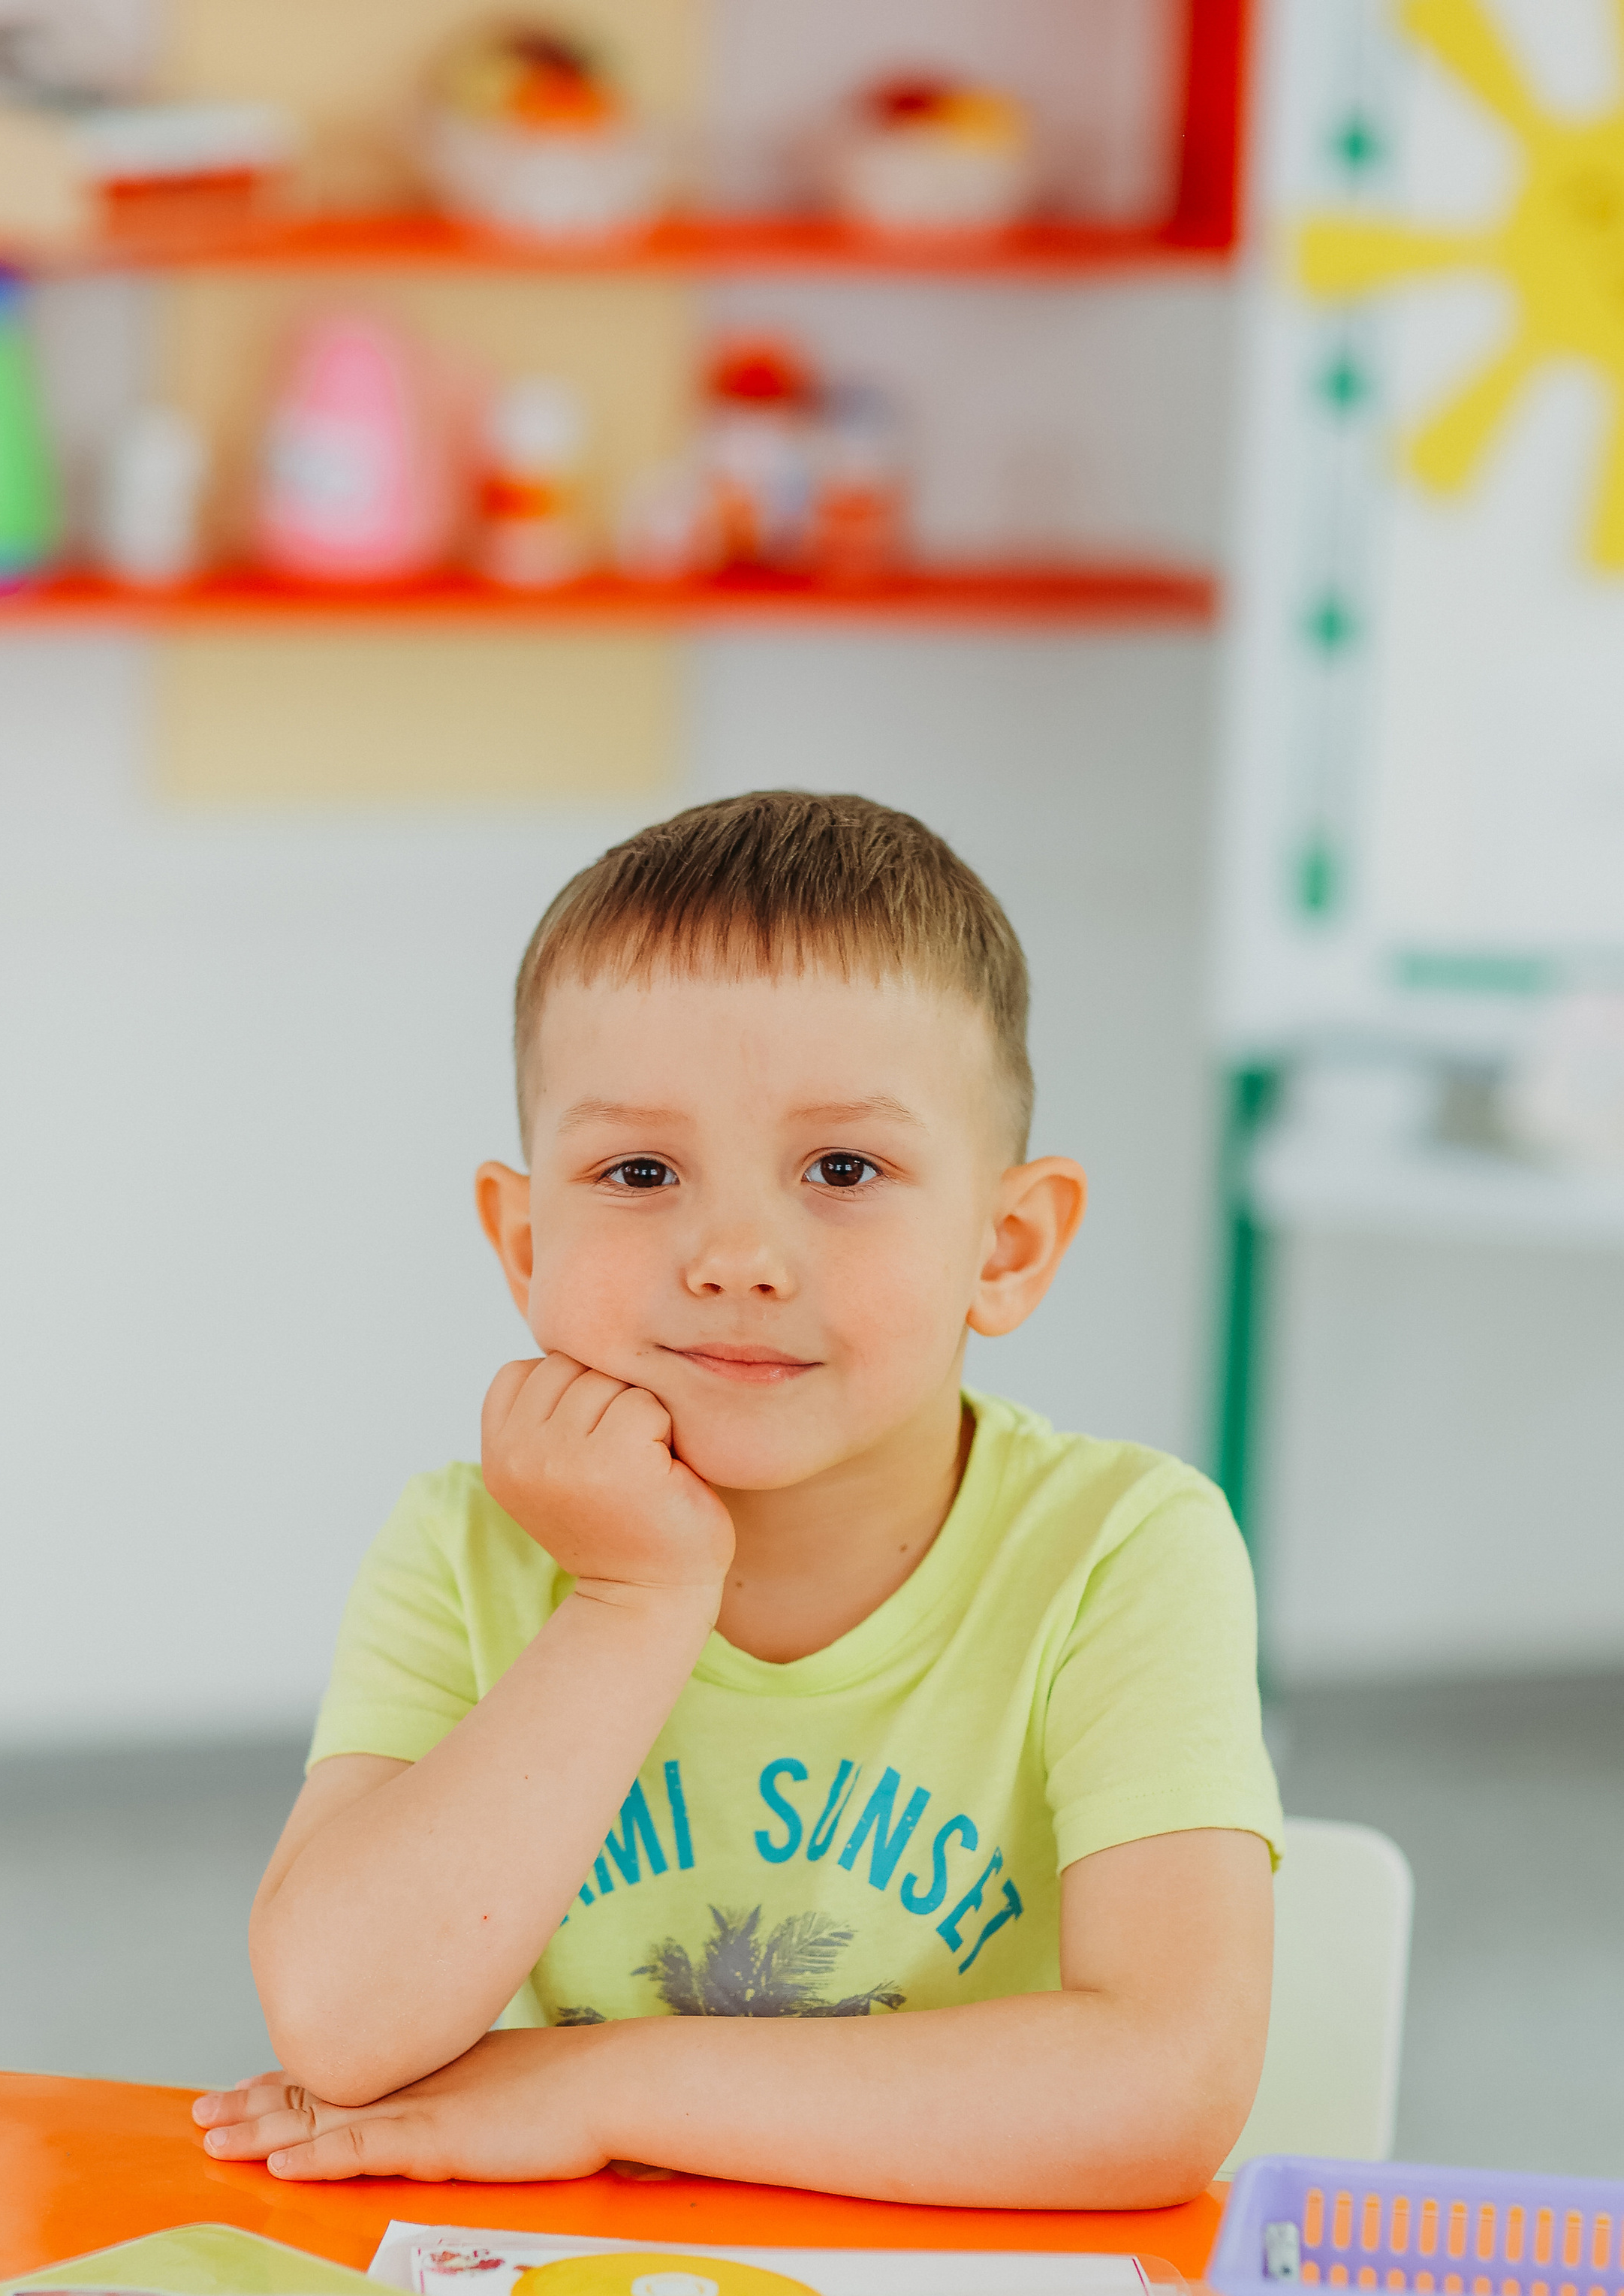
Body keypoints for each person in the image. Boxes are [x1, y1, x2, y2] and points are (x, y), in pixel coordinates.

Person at [193, 790, 1280, 2204]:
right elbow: (341, 2028)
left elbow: (1165, 2088)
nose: (735, 1256)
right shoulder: (461, 1545)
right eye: (638, 1171)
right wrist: (631, 1599)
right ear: (525, 1241)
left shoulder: (1124, 1547)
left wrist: (602, 2090)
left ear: (1005, 1247)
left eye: (844, 1168)